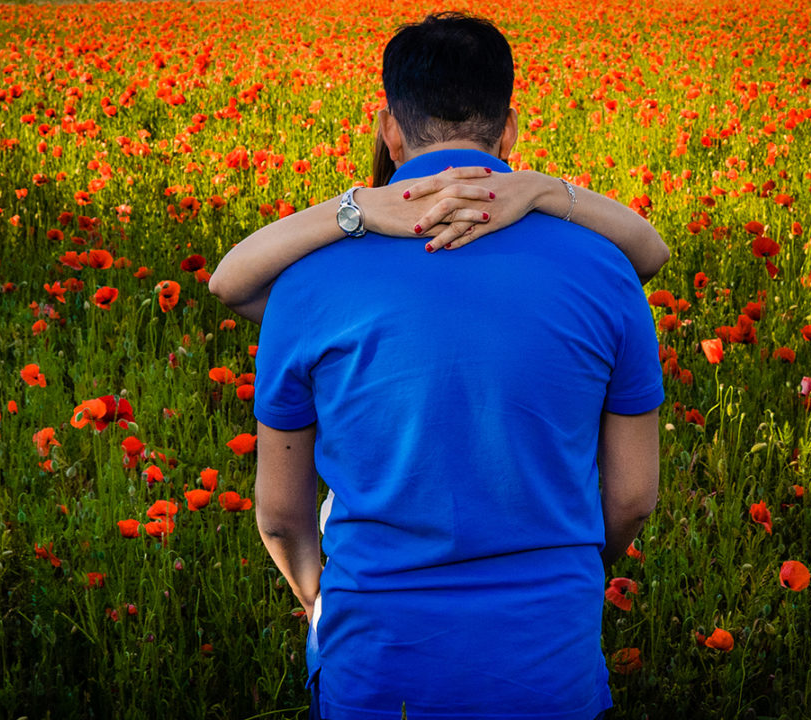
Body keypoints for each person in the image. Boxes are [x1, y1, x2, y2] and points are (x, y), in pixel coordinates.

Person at [209, 13, 665, 719]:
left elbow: (279, 515)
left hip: (378, 672)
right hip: (551, 671)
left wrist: (317, 603)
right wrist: (546, 191)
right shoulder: (609, 274)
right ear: (508, 128)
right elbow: (633, 498)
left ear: (390, 129)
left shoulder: (308, 284)